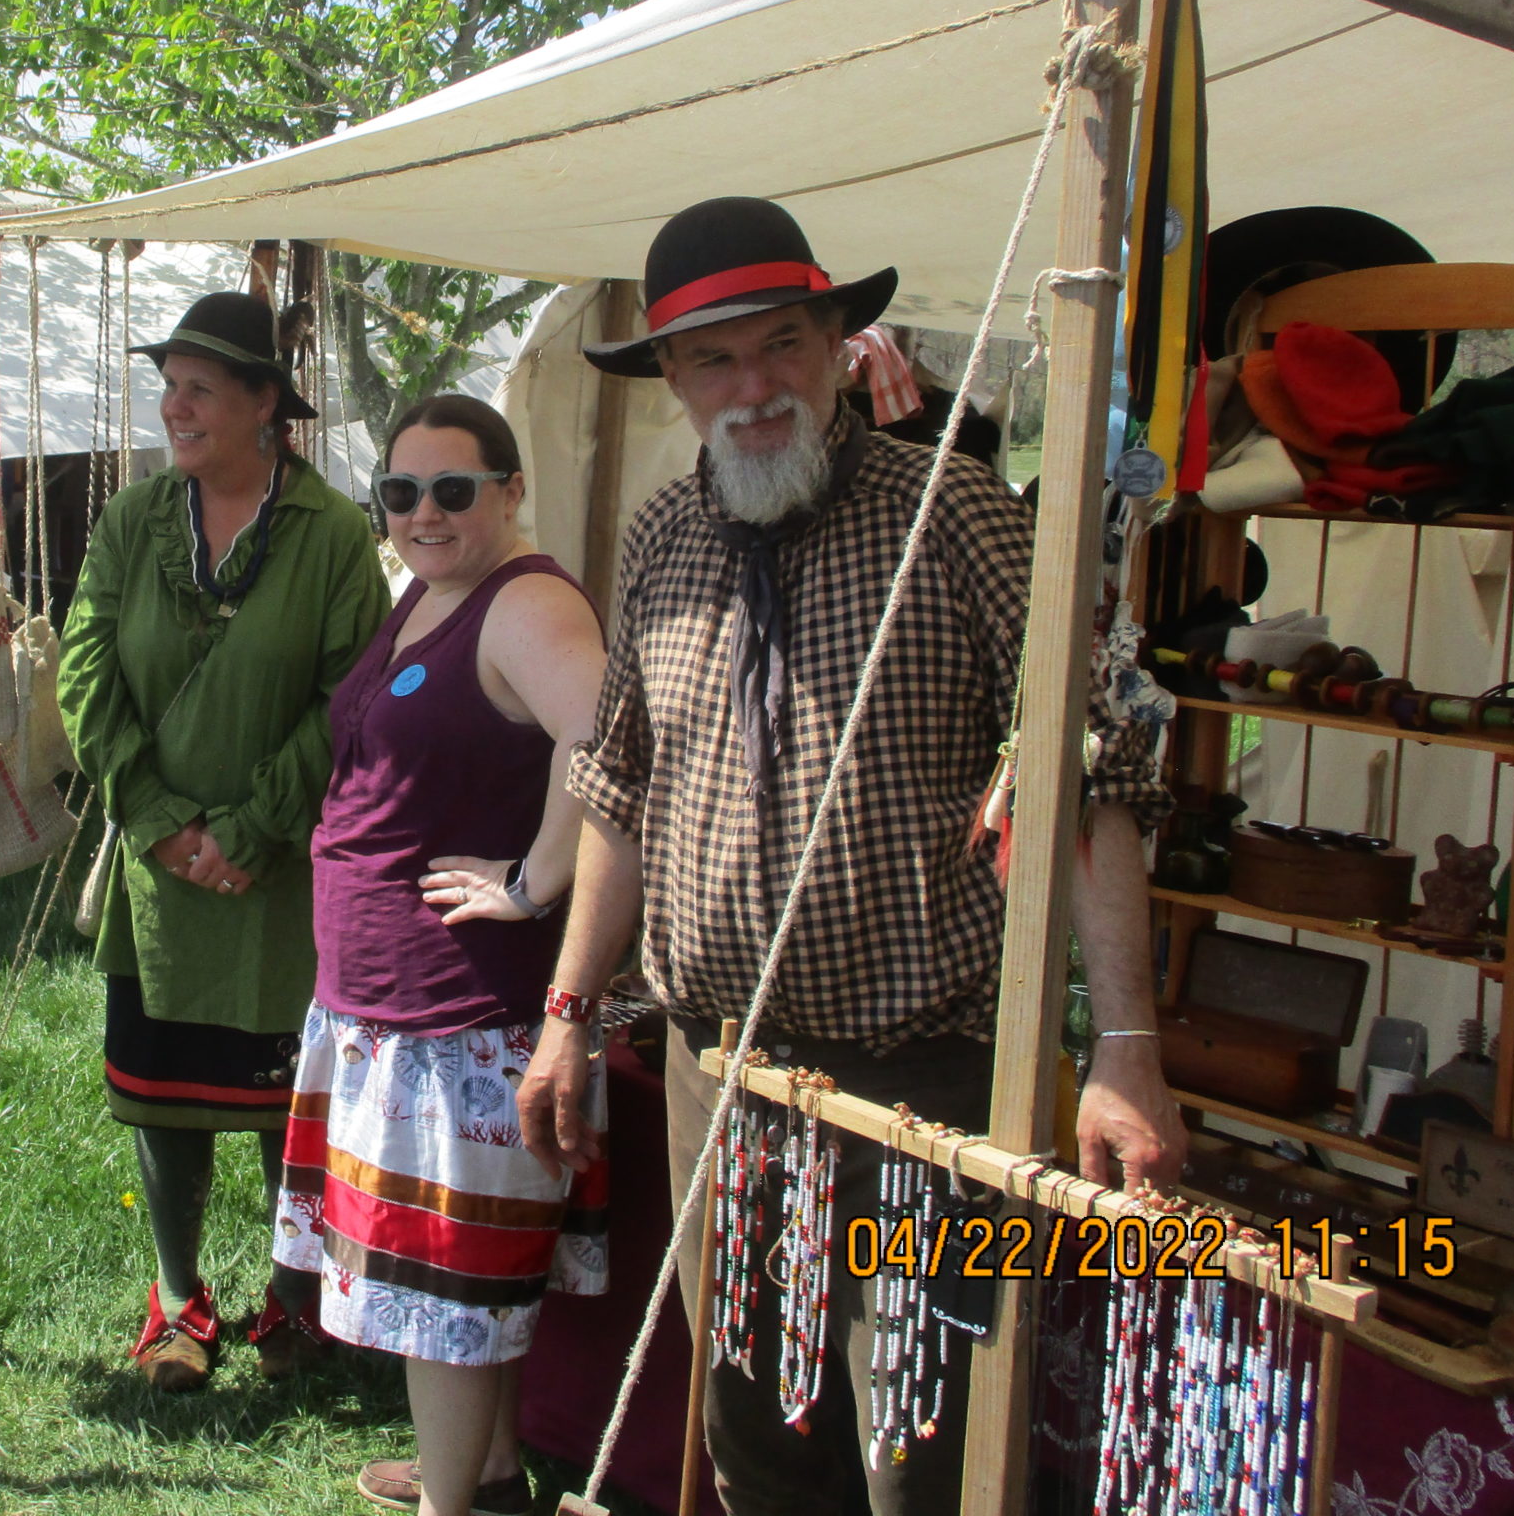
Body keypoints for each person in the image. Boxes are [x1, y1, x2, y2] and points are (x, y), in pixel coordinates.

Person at [516, 198, 1184, 1516]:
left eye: (783, 344)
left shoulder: (961, 515)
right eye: (715, 359)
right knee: (757, 1427)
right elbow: (616, 796)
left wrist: (1127, 1052)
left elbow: (1094, 770)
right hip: (723, 1072)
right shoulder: (658, 541)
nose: (754, 387)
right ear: (673, 380)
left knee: (924, 1445)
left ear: (836, 344)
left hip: (924, 1085)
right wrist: (566, 1014)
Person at [271, 394, 610, 1516]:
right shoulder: (434, 591)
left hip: (457, 1016)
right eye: (400, 493)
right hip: (392, 1007)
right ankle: (492, 1475)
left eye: (452, 490)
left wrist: (533, 881)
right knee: (459, 1290)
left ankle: (447, 1506)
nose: (423, 512)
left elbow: (606, 739)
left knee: (443, 1294)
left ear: (510, 491)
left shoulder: (524, 604)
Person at [59, 289, 390, 1391]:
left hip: (279, 864)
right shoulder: (130, 519)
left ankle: (292, 1303)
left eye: (201, 386)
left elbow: (349, 694)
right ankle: (177, 1301)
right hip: (162, 860)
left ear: (265, 407)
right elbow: (84, 671)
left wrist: (248, 827)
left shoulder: (335, 534)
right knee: (164, 1091)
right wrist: (158, 824)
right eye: (170, 384)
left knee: (277, 1098)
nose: (174, 405)